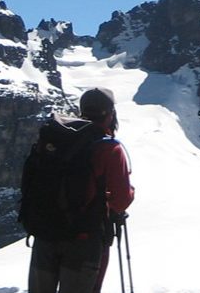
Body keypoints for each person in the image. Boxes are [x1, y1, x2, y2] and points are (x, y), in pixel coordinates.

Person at [28, 87, 135, 293]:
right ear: (110, 113)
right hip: (84, 241)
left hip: (45, 234)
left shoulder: (55, 137)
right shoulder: (109, 148)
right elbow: (120, 200)